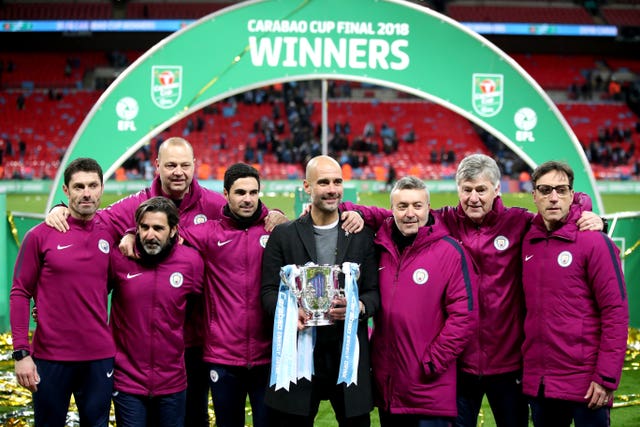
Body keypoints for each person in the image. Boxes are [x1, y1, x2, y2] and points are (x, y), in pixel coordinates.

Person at [341, 153, 605, 427]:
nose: (474, 198)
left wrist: (585, 212)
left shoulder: (519, 222)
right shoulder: (443, 221)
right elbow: (396, 215)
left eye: (481, 189)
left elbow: (558, 208)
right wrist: (352, 210)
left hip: (509, 363)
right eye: (467, 190)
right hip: (460, 365)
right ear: (458, 190)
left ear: (496, 189)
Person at [45, 136, 287, 426]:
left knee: (195, 416)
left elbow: (256, 213)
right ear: (157, 165)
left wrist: (278, 214)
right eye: (170, 165)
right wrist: (61, 209)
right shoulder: (136, 203)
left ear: (194, 166)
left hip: (198, 342)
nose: (178, 172)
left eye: (185, 165)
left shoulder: (212, 203)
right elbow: (95, 219)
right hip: (145, 347)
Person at [261, 155, 380, 427]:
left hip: (347, 354)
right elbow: (268, 291)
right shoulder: (284, 235)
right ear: (306, 186)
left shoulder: (362, 235)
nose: (331, 189)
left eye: (337, 182)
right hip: (299, 354)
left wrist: (357, 308)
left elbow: (373, 292)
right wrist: (291, 314)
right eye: (323, 182)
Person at [522, 161, 628, 427]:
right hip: (542, 383)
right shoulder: (527, 241)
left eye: (561, 189)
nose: (553, 197)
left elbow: (616, 312)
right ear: (534, 195)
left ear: (572, 195)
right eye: (545, 190)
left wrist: (606, 377)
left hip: (586, 384)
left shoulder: (594, 241)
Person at [10, 158, 115, 427]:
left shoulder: (112, 235)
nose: (87, 193)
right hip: (50, 357)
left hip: (98, 357)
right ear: (66, 191)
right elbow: (20, 292)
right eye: (79, 186)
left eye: (93, 185)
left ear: (102, 188)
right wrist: (21, 353)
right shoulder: (39, 236)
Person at [371, 176, 477, 425]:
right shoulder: (380, 248)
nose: (410, 213)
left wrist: (431, 362)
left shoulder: (449, 251)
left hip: (428, 392)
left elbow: (465, 316)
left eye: (417, 206)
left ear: (428, 208)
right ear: (392, 210)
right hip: (388, 390)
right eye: (402, 206)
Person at [179, 163, 274, 427]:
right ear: (225, 193)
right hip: (222, 355)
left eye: (253, 192)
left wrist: (278, 215)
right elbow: (164, 236)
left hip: (268, 355)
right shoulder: (208, 234)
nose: (247, 199)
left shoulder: (274, 231)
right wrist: (130, 235)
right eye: (240, 192)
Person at [109, 196, 205, 427]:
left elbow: (197, 308)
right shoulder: (120, 259)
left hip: (172, 381)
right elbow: (89, 297)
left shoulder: (191, 262)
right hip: (127, 381)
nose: (150, 235)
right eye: (144, 227)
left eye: (158, 228)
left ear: (173, 230)